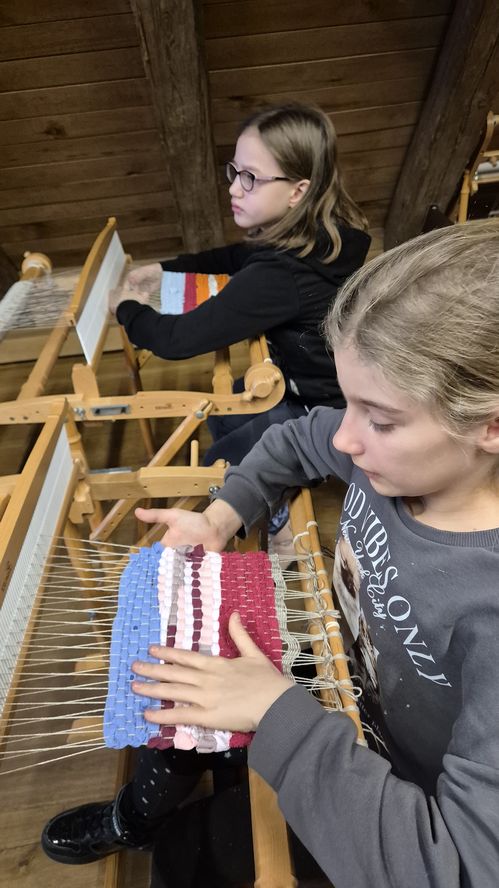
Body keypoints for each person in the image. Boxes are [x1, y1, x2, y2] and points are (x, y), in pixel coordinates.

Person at [43, 219, 498, 886]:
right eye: (348, 404)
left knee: (189, 859)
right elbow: (298, 439)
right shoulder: (395, 463)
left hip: (400, 790)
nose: (344, 440)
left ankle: (165, 820)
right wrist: (222, 514)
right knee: (183, 674)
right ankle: (136, 815)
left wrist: (277, 714)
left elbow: (453, 867)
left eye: (378, 419)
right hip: (345, 680)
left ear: (490, 425)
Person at [109, 102, 370, 477]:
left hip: (325, 412)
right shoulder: (321, 232)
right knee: (224, 413)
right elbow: (240, 256)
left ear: (297, 191)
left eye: (250, 178)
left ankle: (275, 502)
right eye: (234, 171)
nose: (234, 188)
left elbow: (176, 340)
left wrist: (126, 308)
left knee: (218, 465)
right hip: (320, 386)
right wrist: (166, 269)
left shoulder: (281, 275)